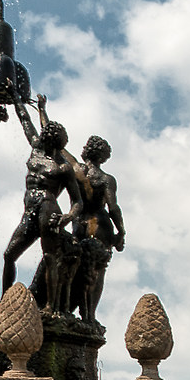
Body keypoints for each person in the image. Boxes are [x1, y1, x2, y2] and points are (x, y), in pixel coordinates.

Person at [0, 94, 82, 299]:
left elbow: (77, 201)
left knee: (49, 257)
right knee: (9, 254)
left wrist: (68, 217)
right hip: (30, 209)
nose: (40, 139)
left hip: (48, 209)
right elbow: (25, 121)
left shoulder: (63, 167)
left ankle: (50, 306)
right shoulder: (37, 148)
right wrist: (17, 99)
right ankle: (6, 301)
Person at [66, 135, 125, 324]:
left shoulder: (77, 171)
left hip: (80, 224)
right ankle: (89, 315)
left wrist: (42, 114)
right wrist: (121, 231)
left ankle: (74, 310)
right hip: (101, 226)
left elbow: (61, 152)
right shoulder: (107, 179)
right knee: (97, 273)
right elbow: (113, 208)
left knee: (78, 270)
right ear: (103, 158)